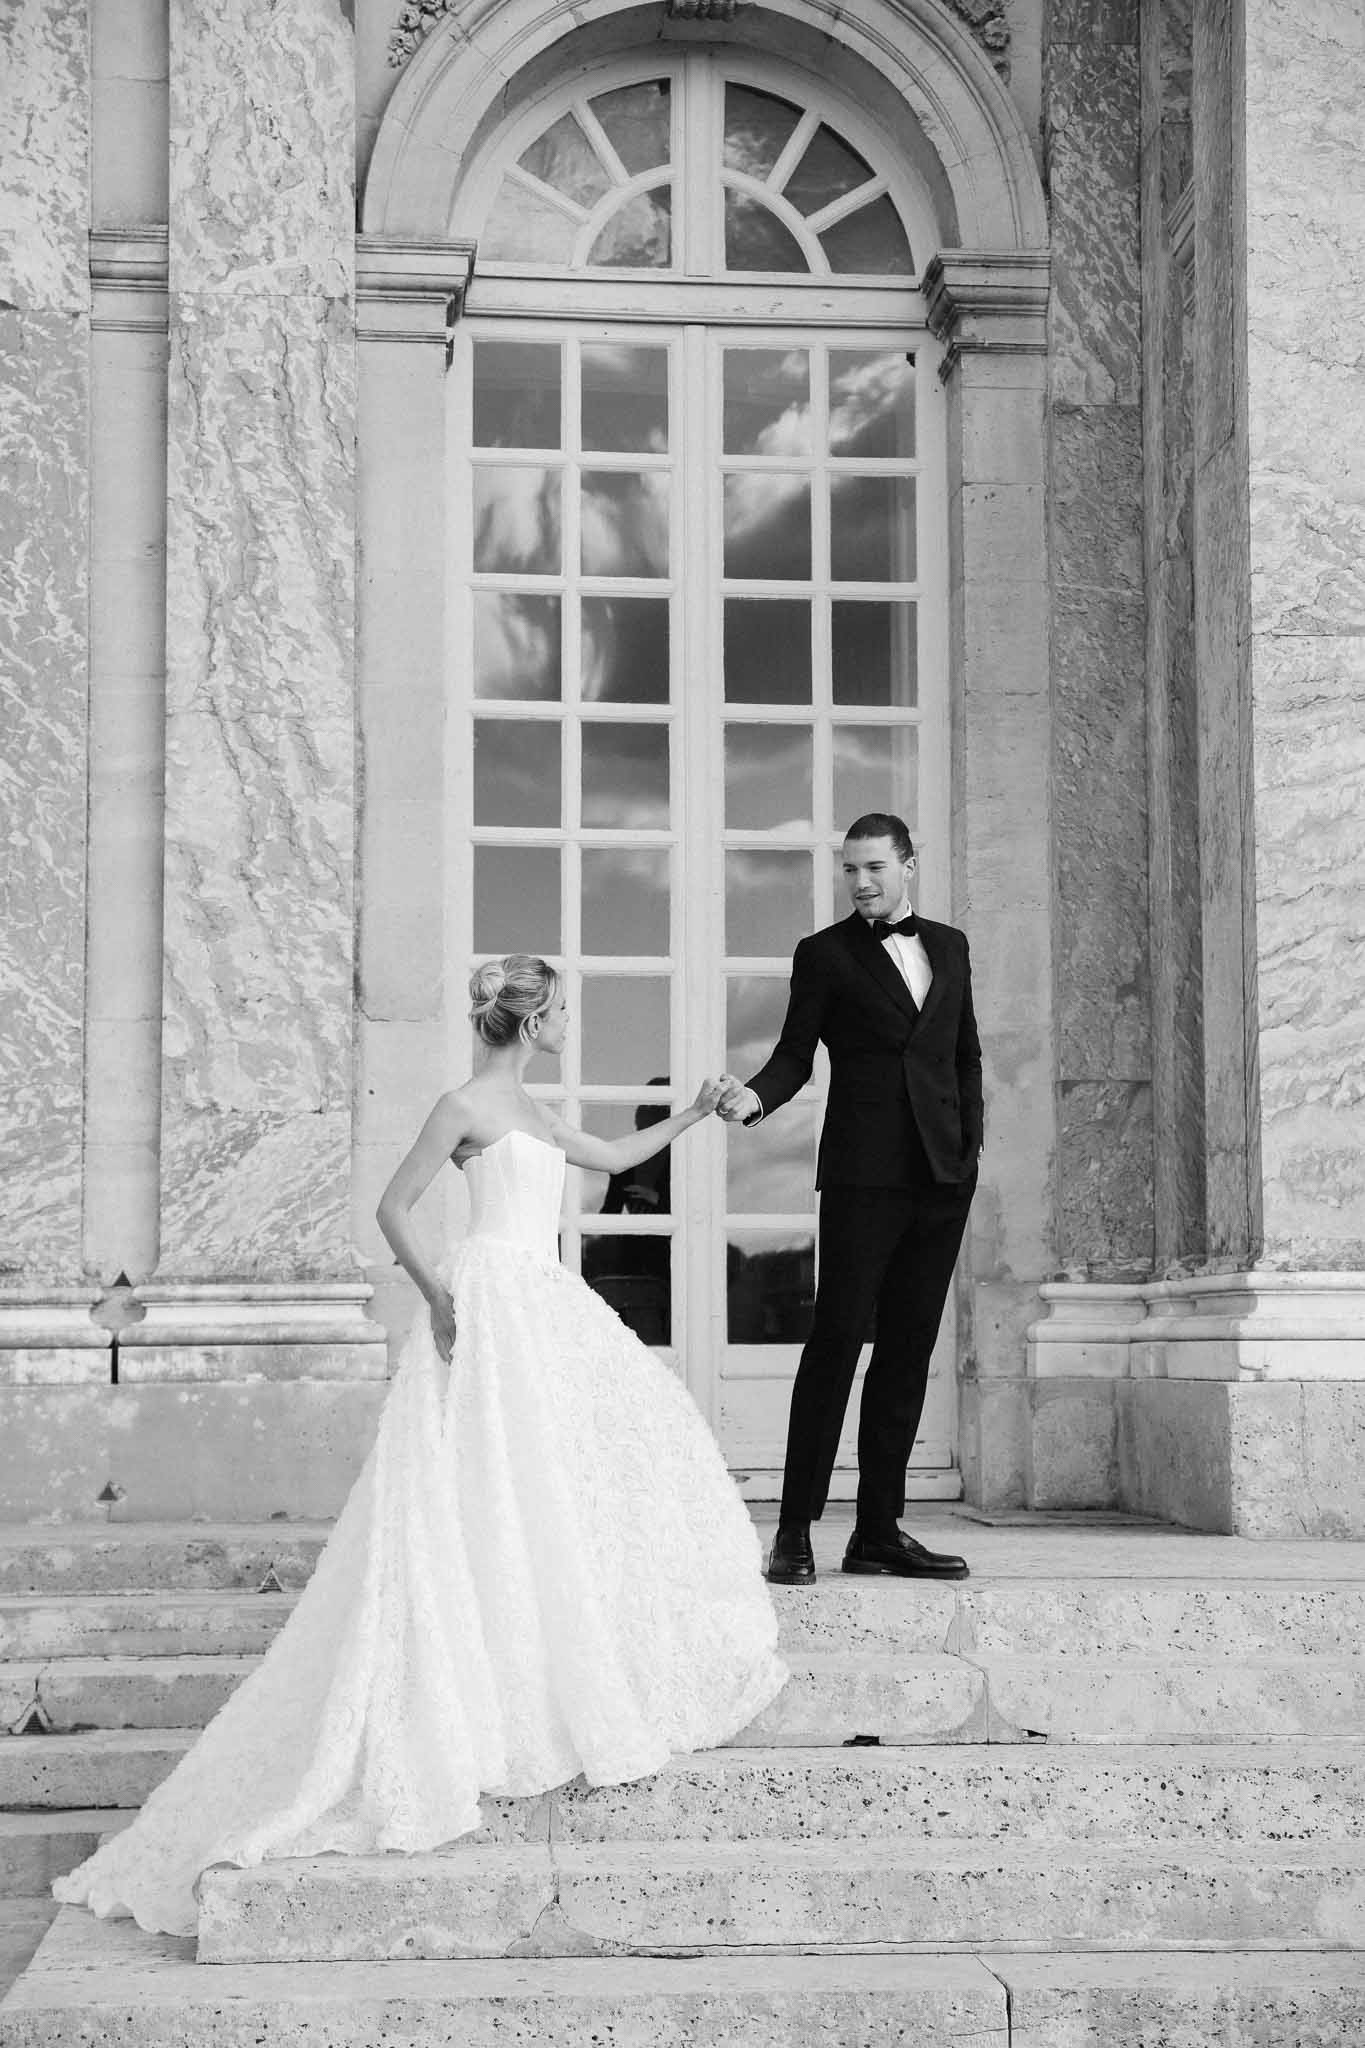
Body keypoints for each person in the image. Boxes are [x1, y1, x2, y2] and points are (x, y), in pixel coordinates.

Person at [53, 956, 786, 1936]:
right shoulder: (462, 1106)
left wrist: (695, 1113)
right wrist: (442, 1295)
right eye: (562, 1008)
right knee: (473, 1485)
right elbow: (393, 1207)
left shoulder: (534, 1107)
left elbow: (612, 1157)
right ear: (529, 1019)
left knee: (580, 1463)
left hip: (541, 1303)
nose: (571, 1019)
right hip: (488, 1296)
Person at [718, 813, 982, 1587]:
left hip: (940, 1180)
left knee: (906, 1352)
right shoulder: (824, 955)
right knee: (835, 1343)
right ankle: (794, 1530)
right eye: (849, 870)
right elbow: (794, 1054)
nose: (860, 882)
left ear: (907, 863)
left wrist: (967, 1152)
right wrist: (755, 1101)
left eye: (873, 867)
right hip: (864, 1177)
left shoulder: (951, 946)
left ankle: (878, 1531)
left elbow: (963, 1054)